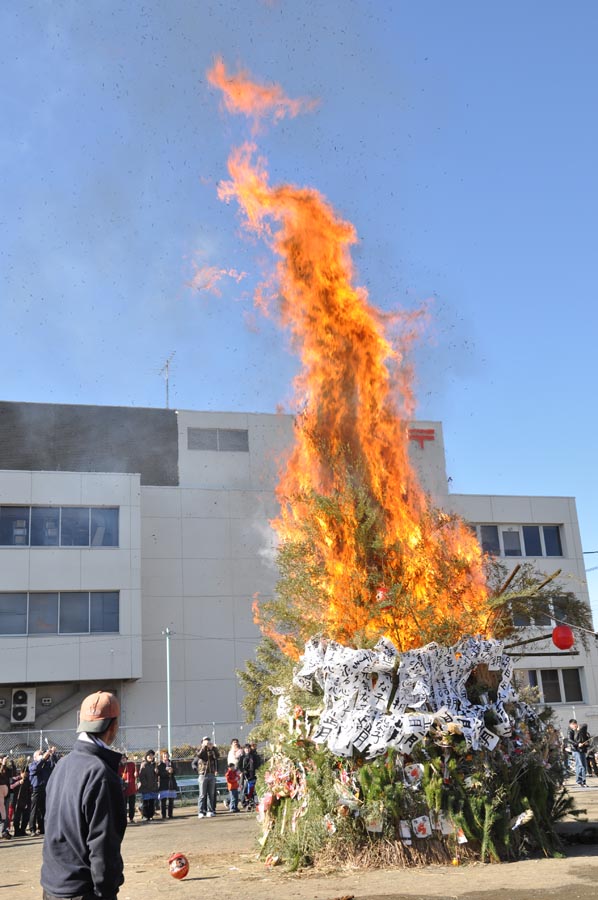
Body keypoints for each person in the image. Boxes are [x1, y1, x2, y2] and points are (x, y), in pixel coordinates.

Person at [41, 690, 126, 900]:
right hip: (82, 891)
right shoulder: (102, 774)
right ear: (113, 726)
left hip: (52, 886)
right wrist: (107, 892)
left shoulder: (61, 765)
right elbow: (104, 846)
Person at [28, 745, 58, 835]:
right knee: (34, 809)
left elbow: (54, 765)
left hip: (45, 788)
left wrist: (52, 755)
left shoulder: (46, 764)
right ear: (35, 757)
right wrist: (43, 759)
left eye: (42, 754)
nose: (42, 755)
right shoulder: (32, 765)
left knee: (43, 809)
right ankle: (32, 828)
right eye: (40, 754)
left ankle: (42, 828)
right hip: (36, 789)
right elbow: (36, 768)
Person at [192, 736, 219, 818]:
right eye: (205, 741)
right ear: (202, 742)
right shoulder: (200, 750)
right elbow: (199, 755)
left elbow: (217, 757)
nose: (208, 743)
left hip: (211, 774)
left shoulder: (213, 750)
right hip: (203, 774)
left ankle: (210, 810)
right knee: (202, 794)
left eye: (209, 741)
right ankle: (200, 811)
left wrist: (213, 748)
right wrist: (204, 747)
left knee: (211, 794)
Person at [137, 750, 159, 822]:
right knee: (146, 803)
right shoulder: (144, 765)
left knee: (152, 803)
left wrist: (156, 772)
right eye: (149, 756)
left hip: (153, 787)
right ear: (146, 757)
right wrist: (145, 784)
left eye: (152, 756)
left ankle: (151, 815)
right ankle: (145, 815)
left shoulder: (154, 765)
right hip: (145, 787)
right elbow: (141, 776)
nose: (150, 757)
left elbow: (156, 776)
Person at [156, 750, 178, 819]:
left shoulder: (172, 763)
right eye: (164, 755)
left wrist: (172, 771)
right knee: (163, 801)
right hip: (163, 784)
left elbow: (176, 771)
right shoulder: (160, 765)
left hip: (171, 783)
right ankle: (163, 815)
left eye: (167, 755)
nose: (166, 756)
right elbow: (160, 774)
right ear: (162, 757)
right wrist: (167, 772)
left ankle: (170, 814)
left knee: (171, 800)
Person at [11, 766, 32, 837]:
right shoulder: (16, 779)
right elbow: (11, 787)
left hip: (26, 801)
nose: (26, 775)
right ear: (21, 773)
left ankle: (23, 830)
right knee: (17, 817)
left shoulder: (28, 780)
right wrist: (19, 782)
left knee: (26, 817)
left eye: (27, 773)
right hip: (17, 801)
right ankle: (17, 831)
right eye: (25, 773)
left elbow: (29, 790)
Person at [118, 753, 138, 824]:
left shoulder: (131, 765)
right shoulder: (118, 767)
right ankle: (124, 819)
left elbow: (136, 774)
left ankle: (131, 818)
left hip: (131, 788)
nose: (123, 759)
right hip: (123, 789)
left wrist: (136, 773)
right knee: (124, 805)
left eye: (124, 758)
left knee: (132, 805)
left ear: (126, 759)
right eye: (121, 758)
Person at [567, 718, 587, 787]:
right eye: (573, 724)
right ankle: (579, 781)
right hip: (576, 750)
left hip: (582, 749)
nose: (575, 726)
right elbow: (570, 740)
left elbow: (585, 725)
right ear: (570, 725)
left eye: (575, 724)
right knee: (579, 765)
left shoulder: (579, 730)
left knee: (584, 765)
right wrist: (577, 744)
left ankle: (583, 781)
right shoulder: (570, 731)